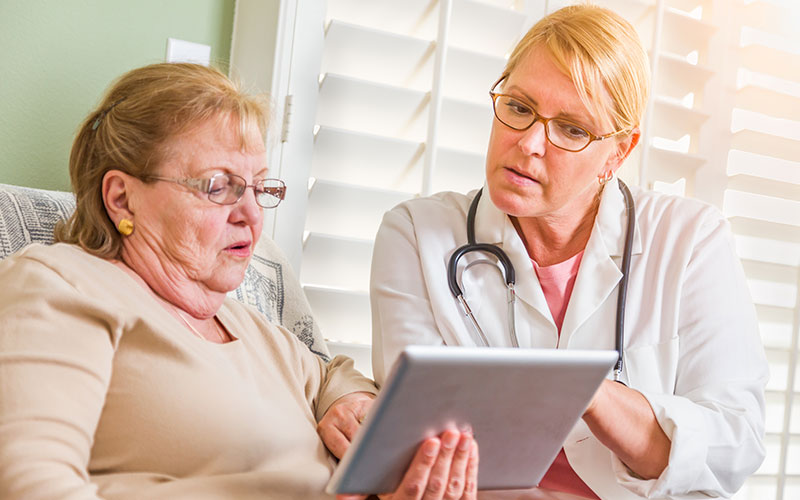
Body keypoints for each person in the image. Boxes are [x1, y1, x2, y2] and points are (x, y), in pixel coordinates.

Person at [0, 62, 478, 500]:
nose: (250, 215)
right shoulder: (63, 286)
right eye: (218, 186)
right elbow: (35, 486)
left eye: (259, 188)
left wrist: (349, 401)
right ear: (122, 199)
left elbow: (332, 373)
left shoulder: (251, 327)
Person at [370, 5, 767, 499]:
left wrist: (587, 392)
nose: (529, 143)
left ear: (618, 153)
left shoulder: (691, 241)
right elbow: (411, 442)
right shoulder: (416, 233)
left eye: (572, 129)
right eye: (518, 108)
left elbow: (731, 446)